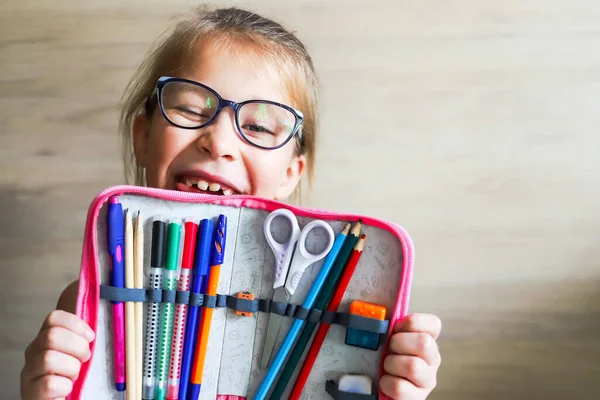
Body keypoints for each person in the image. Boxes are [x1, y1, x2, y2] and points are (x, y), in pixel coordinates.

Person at [20, 6, 442, 399]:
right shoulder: (90, 301)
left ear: (290, 175)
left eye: (258, 126)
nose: (218, 142)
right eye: (188, 109)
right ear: (143, 137)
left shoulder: (336, 302)